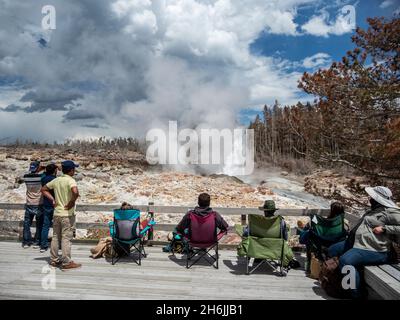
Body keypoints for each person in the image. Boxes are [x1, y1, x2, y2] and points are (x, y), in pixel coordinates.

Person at [327, 186, 400, 299]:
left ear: (378, 198)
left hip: (374, 249)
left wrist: (385, 229)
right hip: (358, 243)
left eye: (372, 197)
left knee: (346, 261)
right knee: (332, 250)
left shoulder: (391, 212)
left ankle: (356, 294)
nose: (369, 198)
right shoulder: (374, 209)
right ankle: (344, 280)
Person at [41, 160, 81, 270]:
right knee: (66, 238)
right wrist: (72, 202)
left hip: (57, 213)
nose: (75, 171)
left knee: (55, 237)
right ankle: (66, 262)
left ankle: (54, 260)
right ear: (71, 170)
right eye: (74, 169)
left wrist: (53, 200)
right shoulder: (71, 180)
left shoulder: (56, 180)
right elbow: (75, 192)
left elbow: (43, 189)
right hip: (67, 214)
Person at [163, 193, 228, 252]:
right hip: (210, 242)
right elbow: (225, 227)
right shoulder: (215, 215)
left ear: (198, 202)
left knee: (178, 230)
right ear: (209, 203)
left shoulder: (190, 214)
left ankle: (174, 247)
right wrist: (217, 237)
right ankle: (201, 248)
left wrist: (185, 235)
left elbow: (179, 228)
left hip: (193, 241)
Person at [244, 200, 300, 268]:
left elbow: (246, 233)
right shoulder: (280, 221)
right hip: (275, 249)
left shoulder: (256, 221)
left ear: (264, 210)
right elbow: (285, 237)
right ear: (274, 211)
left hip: (257, 248)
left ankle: (259, 257)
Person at [22, 160, 45, 249]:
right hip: (39, 202)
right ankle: (37, 241)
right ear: (37, 168)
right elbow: (47, 172)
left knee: (27, 224)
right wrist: (42, 168)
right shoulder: (41, 177)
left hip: (29, 203)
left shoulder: (26, 177)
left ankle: (26, 242)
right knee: (39, 224)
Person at [39, 163, 58, 253]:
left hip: (46, 203)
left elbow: (42, 174)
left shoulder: (43, 178)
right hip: (55, 204)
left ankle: (43, 245)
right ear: (55, 170)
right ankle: (57, 245)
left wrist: (43, 169)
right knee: (57, 226)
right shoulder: (55, 180)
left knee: (45, 225)